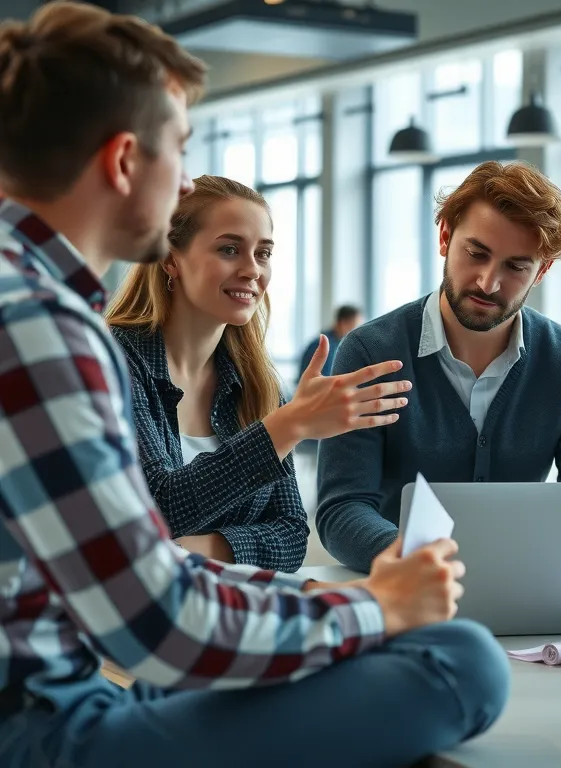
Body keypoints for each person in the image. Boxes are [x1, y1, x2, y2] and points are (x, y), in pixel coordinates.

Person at [0, 5, 508, 766]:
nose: (179, 188)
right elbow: (156, 622)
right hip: (45, 726)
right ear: (125, 161)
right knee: (462, 663)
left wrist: (328, 602)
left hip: (75, 681)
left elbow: (231, 549)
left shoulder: (36, 305)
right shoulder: (41, 328)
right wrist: (373, 605)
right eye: (180, 149)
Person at [317, 160, 561, 572]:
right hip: (404, 589)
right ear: (445, 235)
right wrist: (417, 561)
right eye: (477, 253)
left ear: (542, 271)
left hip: (526, 587)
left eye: (516, 266)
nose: (488, 282)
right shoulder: (370, 352)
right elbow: (342, 508)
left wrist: (526, 563)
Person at [106, 178, 401, 572]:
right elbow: (158, 508)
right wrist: (287, 425)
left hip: (233, 608)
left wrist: (197, 551)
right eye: (229, 249)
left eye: (263, 254)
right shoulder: (115, 359)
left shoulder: (255, 380)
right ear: (170, 258)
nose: (252, 270)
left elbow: (293, 535)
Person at [297, 304, 363, 383]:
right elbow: (327, 380)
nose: (358, 331)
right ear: (343, 323)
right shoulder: (324, 346)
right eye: (355, 326)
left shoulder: (336, 343)